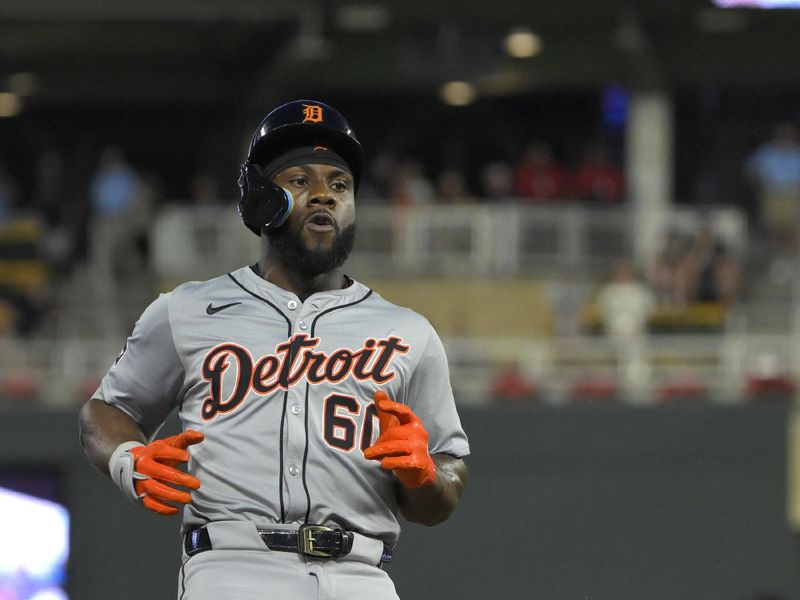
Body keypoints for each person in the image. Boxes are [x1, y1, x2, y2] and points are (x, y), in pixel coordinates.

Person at [78, 100, 470, 600]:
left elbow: (448, 481)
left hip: (361, 573)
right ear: (260, 198)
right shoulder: (188, 310)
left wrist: (429, 475)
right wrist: (127, 458)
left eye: (340, 183)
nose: (324, 194)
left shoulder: (409, 333)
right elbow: (104, 411)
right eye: (300, 180)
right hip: (232, 568)